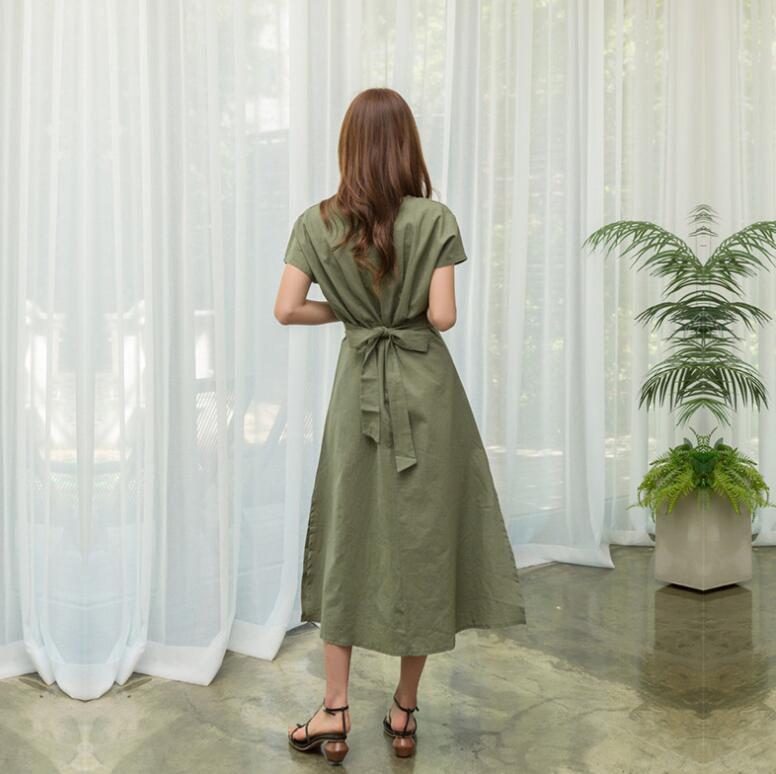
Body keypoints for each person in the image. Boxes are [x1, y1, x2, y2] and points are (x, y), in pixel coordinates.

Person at [274, 87, 526, 765]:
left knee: (347, 535)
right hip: (426, 393)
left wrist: (352, 312)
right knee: (424, 541)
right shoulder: (435, 218)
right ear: (406, 145)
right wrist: (394, 308)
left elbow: (287, 308)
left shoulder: (315, 222)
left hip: (358, 384)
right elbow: (442, 317)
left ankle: (333, 711)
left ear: (348, 147)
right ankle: (404, 712)